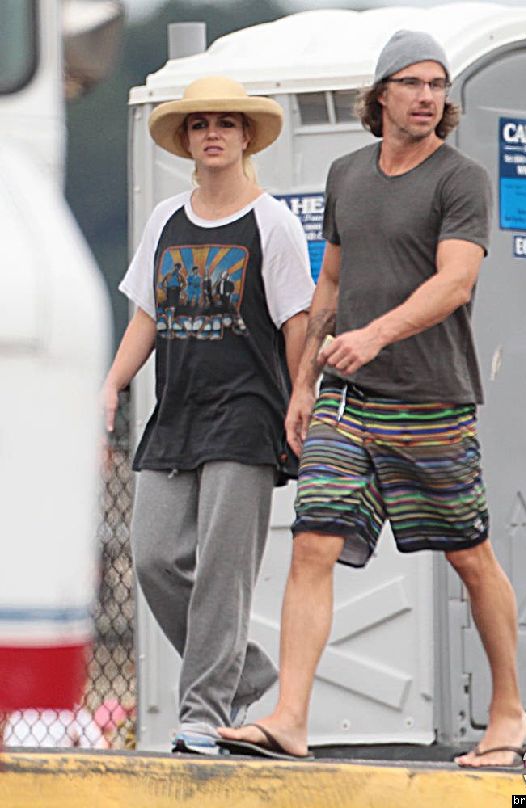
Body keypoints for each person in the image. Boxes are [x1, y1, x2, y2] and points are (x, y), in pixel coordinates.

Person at [219, 31, 526, 767]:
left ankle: (508, 712)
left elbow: (456, 281)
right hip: (347, 401)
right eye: (413, 83)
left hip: (431, 401)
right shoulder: (346, 174)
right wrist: (304, 384)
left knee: (470, 558)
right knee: (312, 543)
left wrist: (376, 335)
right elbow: (329, 284)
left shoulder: (461, 179)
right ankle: (290, 718)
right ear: (381, 93)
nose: (428, 97)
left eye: (437, 85)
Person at [103, 76, 314, 754]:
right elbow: (147, 314)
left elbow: (298, 323)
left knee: (223, 571)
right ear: (187, 140)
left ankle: (202, 715)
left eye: (225, 123)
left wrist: (301, 398)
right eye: (200, 125)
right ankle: (243, 671)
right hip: (176, 413)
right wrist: (113, 384)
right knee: (155, 558)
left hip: (247, 415)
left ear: (246, 136)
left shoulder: (272, 223)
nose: (213, 134)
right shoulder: (166, 219)